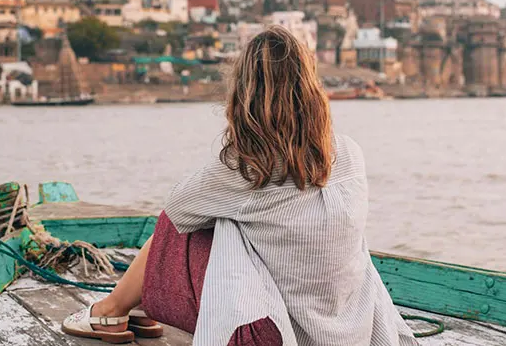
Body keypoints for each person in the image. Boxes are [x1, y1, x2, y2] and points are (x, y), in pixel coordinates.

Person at [61, 26, 419, 345]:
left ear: (245, 93)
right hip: (351, 331)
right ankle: (135, 307)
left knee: (192, 225)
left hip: (271, 334)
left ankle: (109, 311)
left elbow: (175, 212)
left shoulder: (246, 169)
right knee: (233, 219)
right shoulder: (350, 153)